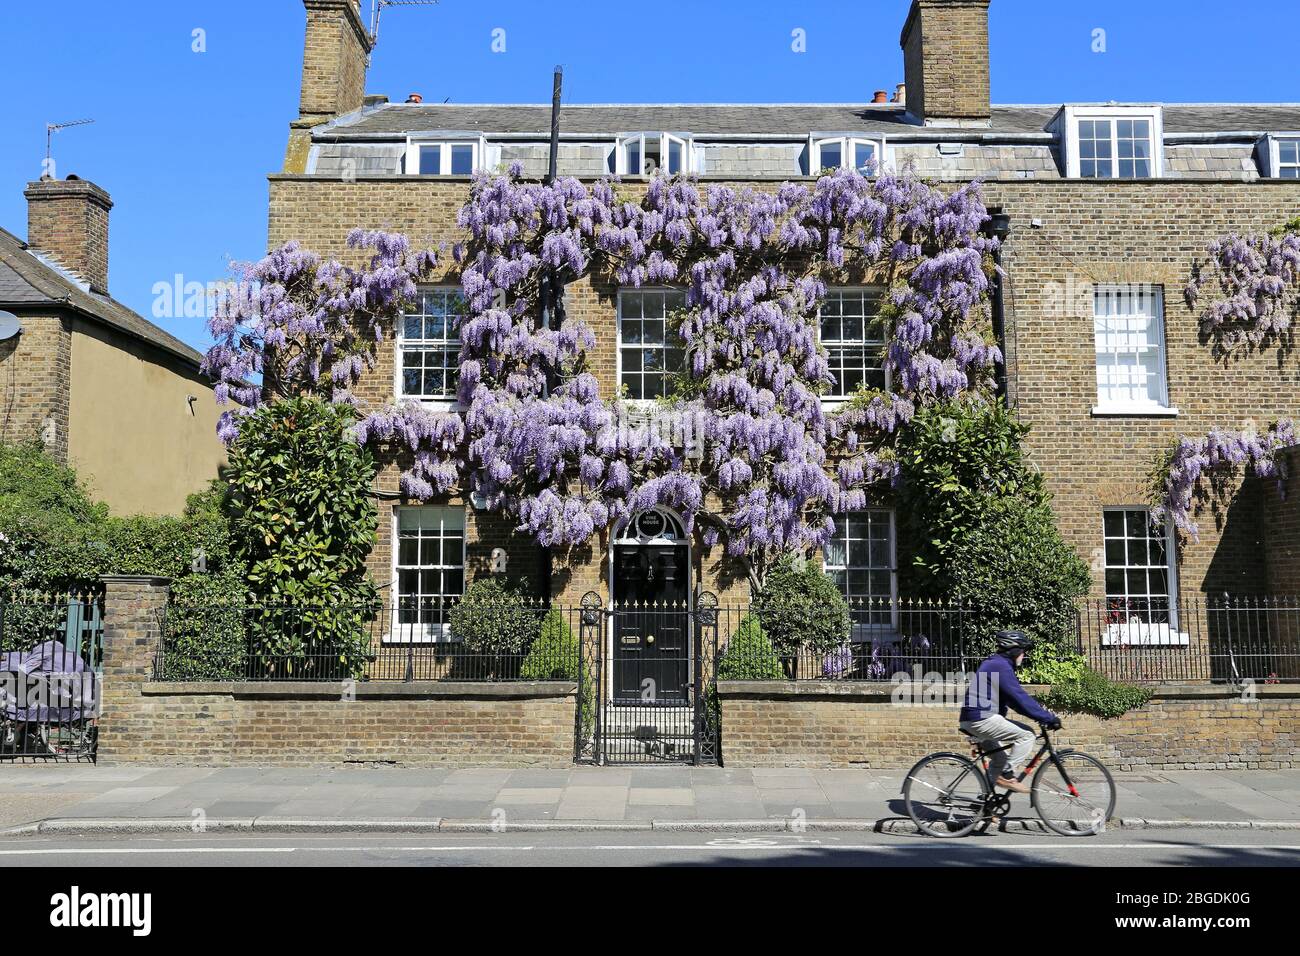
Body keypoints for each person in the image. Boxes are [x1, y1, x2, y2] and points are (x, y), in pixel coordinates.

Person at [958, 630, 1060, 794]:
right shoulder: (1000, 666)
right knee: (1027, 735)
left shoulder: (996, 664)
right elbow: (1019, 697)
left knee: (1000, 759)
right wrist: (1047, 717)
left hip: (973, 719)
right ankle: (1006, 776)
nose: (1023, 655)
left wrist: (1038, 715)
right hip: (981, 719)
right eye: (1022, 650)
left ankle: (985, 805)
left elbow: (1014, 702)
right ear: (1014, 650)